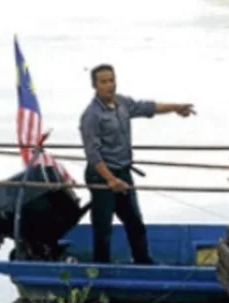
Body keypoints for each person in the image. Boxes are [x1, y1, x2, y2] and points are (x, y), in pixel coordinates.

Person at [79, 64, 196, 264]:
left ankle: (142, 261)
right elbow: (93, 154)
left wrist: (176, 107)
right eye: (104, 82)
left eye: (112, 80)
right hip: (101, 175)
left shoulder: (122, 103)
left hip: (123, 171)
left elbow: (147, 107)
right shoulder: (91, 116)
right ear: (95, 85)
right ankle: (100, 269)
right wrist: (111, 180)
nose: (109, 86)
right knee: (103, 226)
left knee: (135, 221)